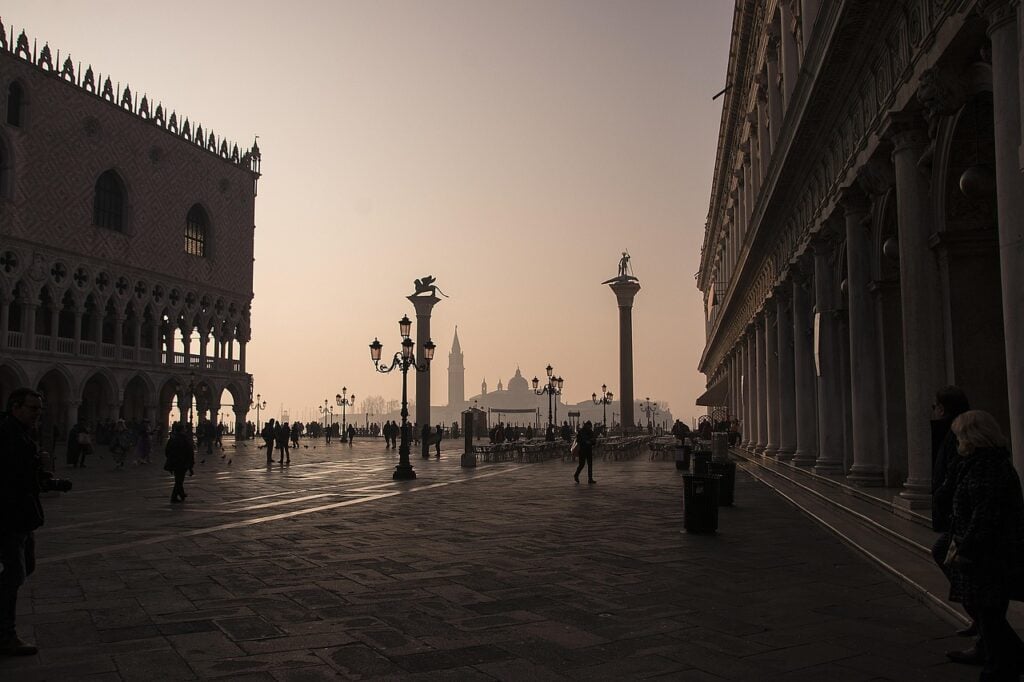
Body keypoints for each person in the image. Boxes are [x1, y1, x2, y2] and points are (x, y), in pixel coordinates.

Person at [944, 410, 1024, 679]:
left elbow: (985, 515)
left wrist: (966, 548)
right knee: (988, 614)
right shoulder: (982, 463)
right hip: (985, 551)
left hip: (987, 555)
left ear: (971, 438)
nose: (957, 443)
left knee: (989, 613)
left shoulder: (987, 468)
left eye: (959, 437)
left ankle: (1001, 668)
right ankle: (999, 657)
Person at [0, 388, 50, 655]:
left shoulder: (21, 434)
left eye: (40, 409)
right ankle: (5, 635)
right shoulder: (8, 435)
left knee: (23, 568)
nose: (37, 414)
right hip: (10, 517)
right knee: (13, 575)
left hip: (22, 515)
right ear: (15, 407)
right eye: (33, 409)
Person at [164, 422, 195, 503]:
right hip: (182, 463)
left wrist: (170, 459)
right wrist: (191, 465)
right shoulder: (185, 439)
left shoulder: (172, 439)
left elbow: (167, 451)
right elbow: (189, 452)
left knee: (178, 479)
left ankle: (182, 494)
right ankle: (174, 497)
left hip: (174, 462)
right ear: (182, 430)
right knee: (179, 480)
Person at [573, 421, 598, 485]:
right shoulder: (581, 432)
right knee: (582, 464)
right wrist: (585, 442)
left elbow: (594, 441)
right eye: (589, 426)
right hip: (582, 450)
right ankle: (576, 475)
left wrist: (591, 441)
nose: (589, 427)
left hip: (588, 449)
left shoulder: (590, 432)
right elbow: (578, 440)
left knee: (590, 464)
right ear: (586, 425)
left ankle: (590, 479)